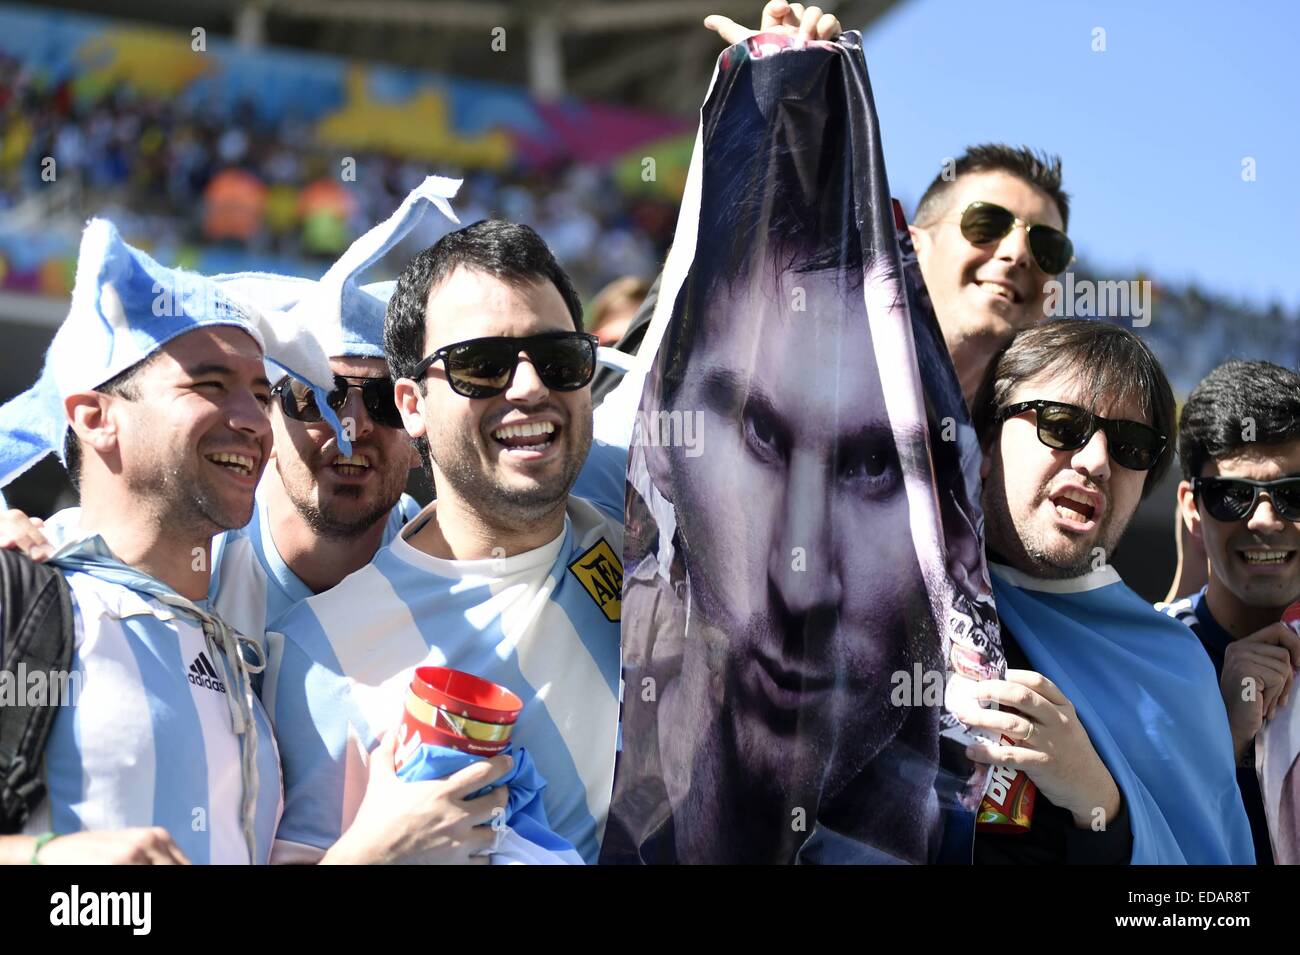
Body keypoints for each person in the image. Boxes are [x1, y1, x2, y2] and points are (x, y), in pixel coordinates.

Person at [263, 219, 626, 864]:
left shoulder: (651, 539)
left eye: (559, 360)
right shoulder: (318, 655)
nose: (529, 387)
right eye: (480, 366)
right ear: (410, 406)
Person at [0, 219, 337, 864]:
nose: (251, 421)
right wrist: (49, 862)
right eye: (210, 386)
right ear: (96, 419)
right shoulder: (25, 602)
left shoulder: (238, 649)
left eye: (262, 395)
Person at [963, 318, 1255, 863]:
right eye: (1061, 423)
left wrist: (1100, 807)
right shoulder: (898, 598)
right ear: (983, 446)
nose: (1097, 462)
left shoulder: (1175, 671)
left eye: (1130, 444)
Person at [1158, 360, 1300, 865]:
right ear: (1192, 508)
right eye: (1233, 496)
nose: (1265, 520)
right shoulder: (1139, 662)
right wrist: (1221, 742)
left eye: (1294, 495)